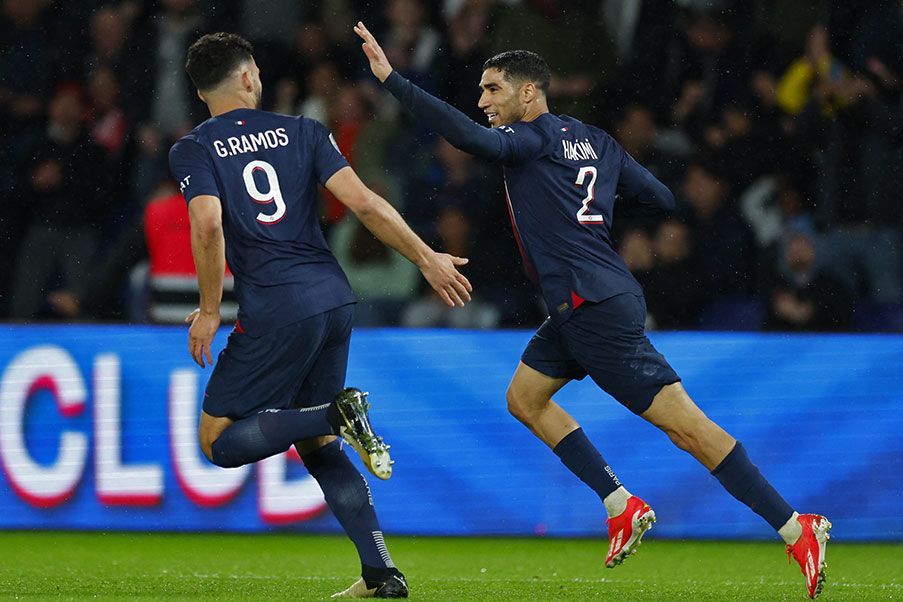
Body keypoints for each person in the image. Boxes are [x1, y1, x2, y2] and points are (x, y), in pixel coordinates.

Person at [354, 22, 831, 600]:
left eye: (493, 89)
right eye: (480, 91)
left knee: (687, 428)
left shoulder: (529, 138)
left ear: (529, 94)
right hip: (587, 300)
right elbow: (660, 196)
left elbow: (469, 140)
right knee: (524, 397)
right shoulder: (598, 141)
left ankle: (793, 525)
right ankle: (619, 502)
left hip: (592, 307)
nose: (482, 102)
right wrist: (597, 212)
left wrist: (394, 81)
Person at [169, 33, 472, 599]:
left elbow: (207, 225)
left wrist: (210, 310)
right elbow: (364, 203)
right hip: (333, 298)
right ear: (246, 78)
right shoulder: (303, 132)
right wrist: (426, 257)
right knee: (319, 444)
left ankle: (336, 413)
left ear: (200, 87)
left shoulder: (194, 148)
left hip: (277, 307)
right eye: (255, 69)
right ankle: (381, 573)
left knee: (217, 441)